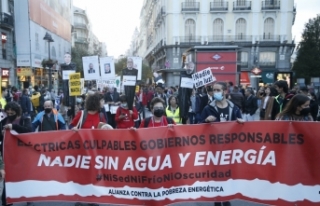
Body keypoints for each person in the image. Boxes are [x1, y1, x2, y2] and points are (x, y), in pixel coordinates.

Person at [0, 102, 32, 205]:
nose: (9, 113)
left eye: (11, 111)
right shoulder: (4, 121)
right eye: (7, 111)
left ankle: (28, 196)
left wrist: (13, 126)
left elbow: (28, 130)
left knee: (24, 176)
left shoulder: (25, 119)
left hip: (23, 154)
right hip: (9, 155)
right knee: (8, 176)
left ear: (17, 111)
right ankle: (7, 199)